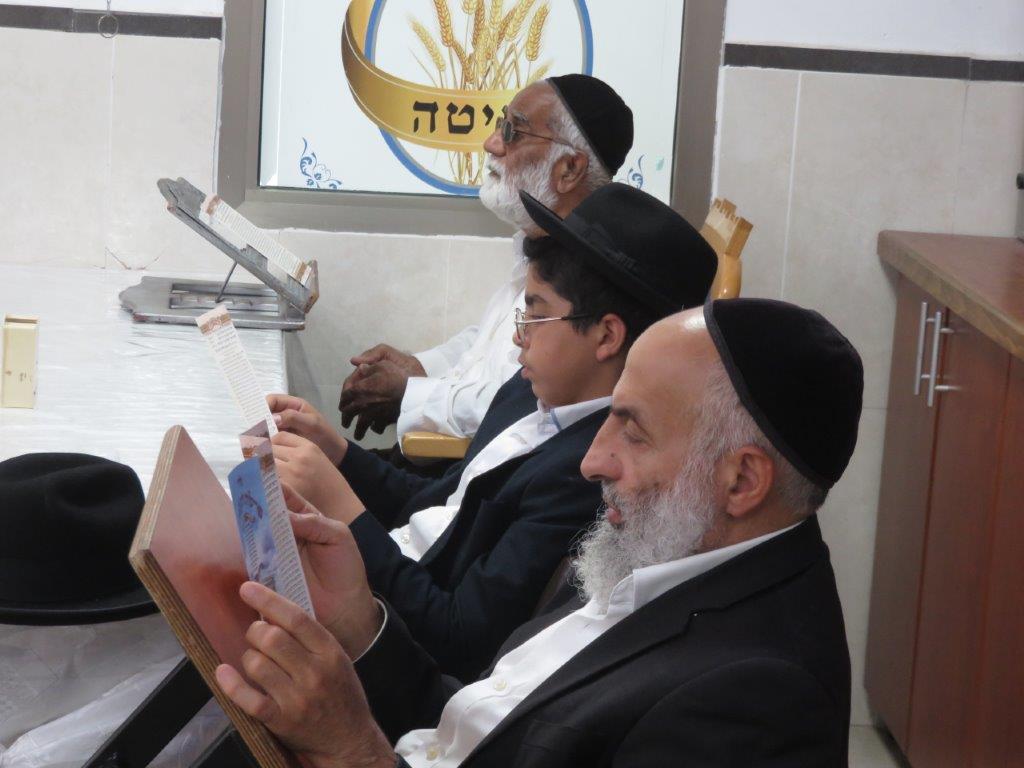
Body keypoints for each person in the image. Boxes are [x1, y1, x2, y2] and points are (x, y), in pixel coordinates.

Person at [217, 296, 863, 767]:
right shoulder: (663, 544)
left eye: (634, 432)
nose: (591, 461)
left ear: (741, 481)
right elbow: (475, 723)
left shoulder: (760, 701)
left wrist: (351, 749)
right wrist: (358, 621)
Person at [267, 184, 718, 680]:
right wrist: (339, 455)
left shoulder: (587, 474)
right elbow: (441, 502)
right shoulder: (527, 391)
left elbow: (458, 638)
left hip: (396, 636)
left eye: (536, 315)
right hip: (389, 566)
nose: (518, 335)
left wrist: (346, 516)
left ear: (607, 336)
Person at [337, 74, 633, 447]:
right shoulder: (536, 241)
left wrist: (410, 394)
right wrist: (421, 366)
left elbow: (520, 403)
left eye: (513, 132)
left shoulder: (585, 277)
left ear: (569, 169)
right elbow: (487, 341)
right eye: (499, 124)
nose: (491, 143)